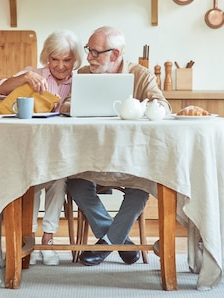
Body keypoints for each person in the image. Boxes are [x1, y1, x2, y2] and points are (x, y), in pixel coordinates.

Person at [62, 26, 171, 266]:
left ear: (115, 54)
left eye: (95, 53)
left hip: (131, 159)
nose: (89, 57)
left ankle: (106, 243)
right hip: (90, 158)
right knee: (74, 181)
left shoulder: (141, 75)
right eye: (88, 50)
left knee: (143, 184)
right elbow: (65, 105)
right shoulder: (83, 73)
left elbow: (163, 106)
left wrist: (139, 110)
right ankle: (119, 241)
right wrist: (78, 106)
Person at [0, 29, 82, 266]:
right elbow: (0, 89)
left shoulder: (82, 81)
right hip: (30, 151)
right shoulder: (35, 74)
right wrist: (24, 78)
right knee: (31, 182)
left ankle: (49, 240)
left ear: (75, 60)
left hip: (63, 152)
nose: (61, 66)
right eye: (55, 59)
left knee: (58, 180)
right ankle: (28, 240)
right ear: (47, 58)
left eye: (67, 60)